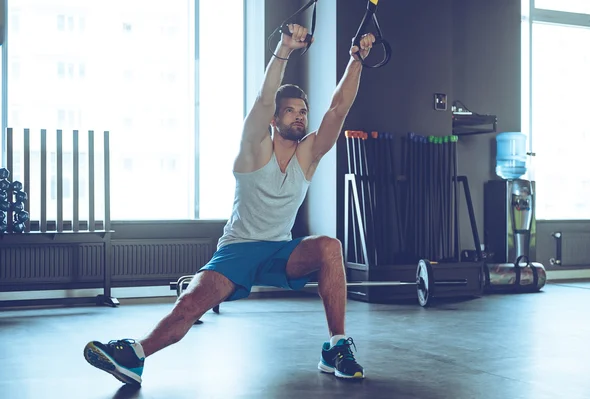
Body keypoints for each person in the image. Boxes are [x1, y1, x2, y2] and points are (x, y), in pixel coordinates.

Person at [83, 23, 375, 385]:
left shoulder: (308, 156)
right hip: (238, 250)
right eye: (290, 111)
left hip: (280, 250)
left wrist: (356, 60)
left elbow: (338, 109)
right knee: (190, 304)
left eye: (303, 110)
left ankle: (336, 345)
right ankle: (135, 355)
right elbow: (264, 99)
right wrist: (284, 49)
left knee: (330, 247)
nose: (300, 115)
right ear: (274, 120)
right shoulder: (254, 149)